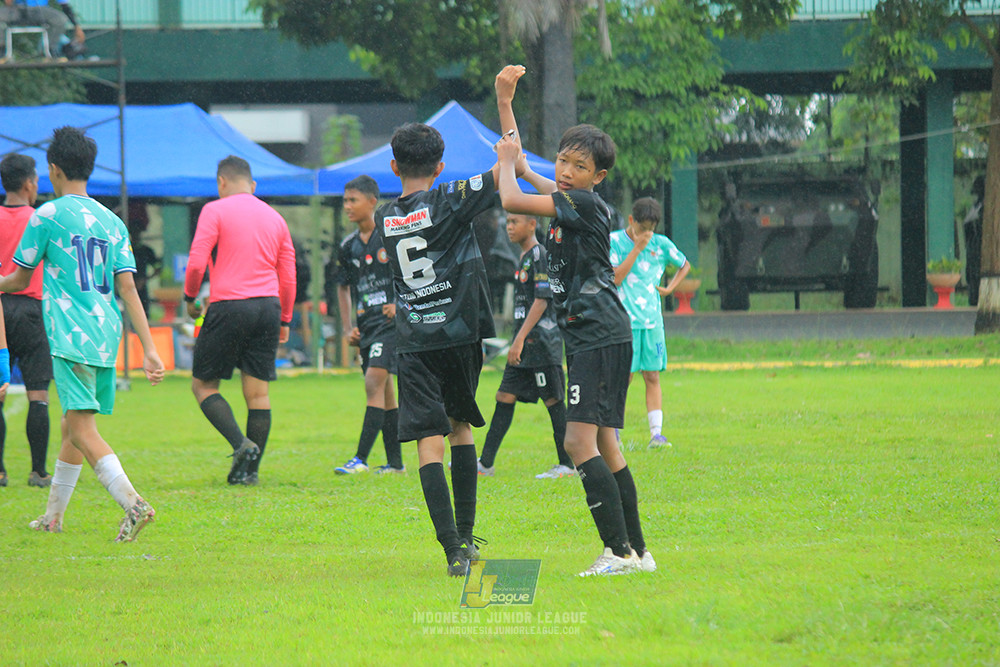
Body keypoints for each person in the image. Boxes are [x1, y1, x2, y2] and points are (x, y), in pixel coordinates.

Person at [494, 65, 653, 576]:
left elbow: (511, 195)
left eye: (577, 165)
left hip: (596, 334)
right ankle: (639, 552)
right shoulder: (569, 197)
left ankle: (618, 552)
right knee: (605, 443)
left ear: (597, 176)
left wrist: (502, 165)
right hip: (600, 333)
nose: (565, 170)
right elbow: (522, 169)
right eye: (562, 161)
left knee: (578, 443)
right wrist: (505, 101)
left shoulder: (583, 204)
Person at [378, 80, 526, 576]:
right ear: (440, 168)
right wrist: (505, 107)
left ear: (393, 167)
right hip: (461, 334)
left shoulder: (384, 217)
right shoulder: (452, 199)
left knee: (428, 440)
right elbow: (509, 162)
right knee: (462, 426)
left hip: (415, 341)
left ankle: (453, 550)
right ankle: (465, 535)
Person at [0, 126, 164, 540]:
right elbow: (128, 289)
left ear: (53, 170)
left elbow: (19, 278)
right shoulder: (111, 221)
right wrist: (149, 349)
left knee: (82, 429)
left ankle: (134, 503)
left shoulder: (48, 215)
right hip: (105, 335)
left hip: (71, 333)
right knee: (72, 425)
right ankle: (53, 517)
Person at [184, 156, 296, 487]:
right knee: (258, 395)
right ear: (253, 185)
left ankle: (240, 445)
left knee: (204, 385)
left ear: (221, 182)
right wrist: (285, 318)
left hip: (229, 305)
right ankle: (250, 473)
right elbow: (288, 275)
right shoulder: (275, 218)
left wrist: (190, 298)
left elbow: (195, 263)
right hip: (268, 307)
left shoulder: (214, 210)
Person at [477, 212, 572, 480]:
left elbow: (542, 301)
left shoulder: (540, 254)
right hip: (524, 343)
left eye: (514, 222)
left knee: (553, 400)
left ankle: (567, 465)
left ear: (532, 224)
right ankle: (485, 463)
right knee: (504, 396)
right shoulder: (523, 257)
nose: (509, 227)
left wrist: (518, 339)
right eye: (507, 222)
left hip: (541, 343)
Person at [333, 175, 404, 475]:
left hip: (390, 324)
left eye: (353, 200)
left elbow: (411, 272)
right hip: (367, 326)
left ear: (372, 202)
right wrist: (349, 326)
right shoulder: (348, 246)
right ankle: (396, 464)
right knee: (385, 392)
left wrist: (401, 303)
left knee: (374, 382)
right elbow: (343, 287)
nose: (347, 206)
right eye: (345, 201)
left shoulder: (391, 235)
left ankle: (360, 459)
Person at [609, 197, 690, 448]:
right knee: (624, 378)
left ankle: (656, 434)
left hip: (652, 323)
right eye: (642, 228)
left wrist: (669, 289)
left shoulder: (661, 244)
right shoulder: (615, 242)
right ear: (632, 221)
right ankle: (613, 434)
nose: (647, 234)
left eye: (651, 229)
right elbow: (615, 278)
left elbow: (684, 264)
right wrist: (636, 249)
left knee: (652, 376)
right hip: (624, 323)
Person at [0, 154, 53, 489]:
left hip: (0, 307)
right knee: (38, 394)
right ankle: (38, 472)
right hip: (33, 310)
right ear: (29, 183)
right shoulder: (40, 220)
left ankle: (1, 471)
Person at [0, 0, 85, 60]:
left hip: (40, 10)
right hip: (17, 9)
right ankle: (1, 52)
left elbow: (64, 5)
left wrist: (76, 26)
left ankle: (50, 51)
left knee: (60, 19)